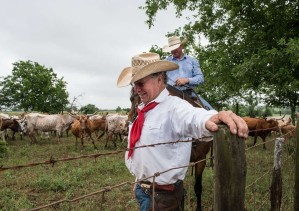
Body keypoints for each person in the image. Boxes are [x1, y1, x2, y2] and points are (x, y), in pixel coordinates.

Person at [117, 52, 248, 210]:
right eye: (134, 84)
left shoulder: (174, 107)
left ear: (159, 78)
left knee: (203, 106)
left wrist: (213, 117)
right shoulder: (145, 110)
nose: (137, 89)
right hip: (144, 190)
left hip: (161, 197)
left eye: (141, 83)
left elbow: (192, 116)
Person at [163, 36, 213, 110]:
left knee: (210, 111)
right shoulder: (165, 62)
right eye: (172, 49)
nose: (173, 50)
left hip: (189, 93)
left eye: (176, 47)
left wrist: (187, 80)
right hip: (170, 94)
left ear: (181, 46)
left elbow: (200, 78)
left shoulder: (192, 61)